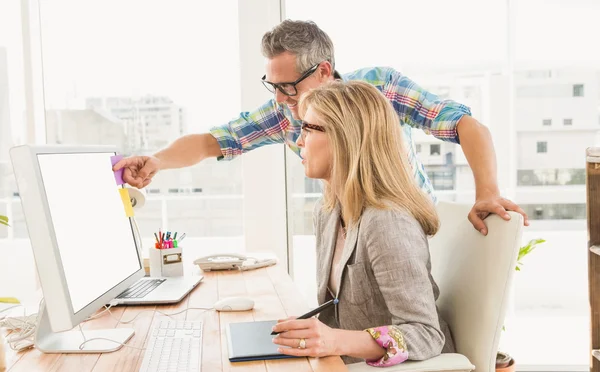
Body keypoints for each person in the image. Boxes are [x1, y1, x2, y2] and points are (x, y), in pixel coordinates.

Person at [114, 19, 528, 235]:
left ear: (324, 70)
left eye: (288, 87)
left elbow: (466, 126)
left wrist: (487, 193)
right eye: (272, 87)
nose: (280, 99)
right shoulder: (284, 111)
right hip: (349, 242)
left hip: (407, 231)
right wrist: (157, 161)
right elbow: (212, 142)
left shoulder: (379, 87)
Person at [271, 80, 464, 372]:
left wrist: (334, 340)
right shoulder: (329, 210)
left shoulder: (387, 222)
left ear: (345, 139)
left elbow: (426, 335)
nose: (299, 139)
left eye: (309, 128)